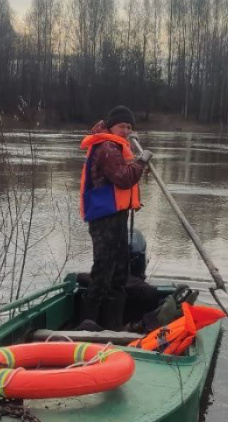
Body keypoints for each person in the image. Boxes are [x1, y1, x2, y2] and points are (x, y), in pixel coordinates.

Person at [78, 106, 153, 330]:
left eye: (129, 127)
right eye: (122, 126)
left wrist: (138, 164)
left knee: (120, 273)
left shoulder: (117, 147)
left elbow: (124, 175)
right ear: (111, 126)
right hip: (104, 219)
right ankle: (87, 323)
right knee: (104, 272)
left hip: (117, 217)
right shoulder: (108, 148)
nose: (126, 131)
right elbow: (122, 177)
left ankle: (113, 326)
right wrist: (141, 163)